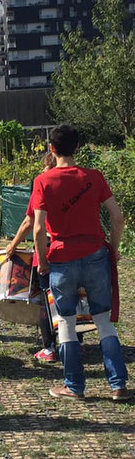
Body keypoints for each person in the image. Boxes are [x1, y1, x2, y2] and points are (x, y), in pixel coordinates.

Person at [32, 125, 132, 401]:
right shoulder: (94, 176)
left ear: (52, 149)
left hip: (62, 259)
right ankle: (118, 384)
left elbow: (38, 229)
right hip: (95, 254)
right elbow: (117, 216)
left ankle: (74, 386)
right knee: (103, 320)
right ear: (77, 148)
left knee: (66, 322)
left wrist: (42, 261)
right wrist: (114, 246)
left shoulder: (43, 181)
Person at [6, 152, 68, 363]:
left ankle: (49, 347)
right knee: (72, 296)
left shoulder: (42, 185)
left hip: (48, 250)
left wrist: (13, 245)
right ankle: (73, 342)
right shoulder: (72, 184)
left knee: (45, 300)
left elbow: (29, 223)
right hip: (72, 250)